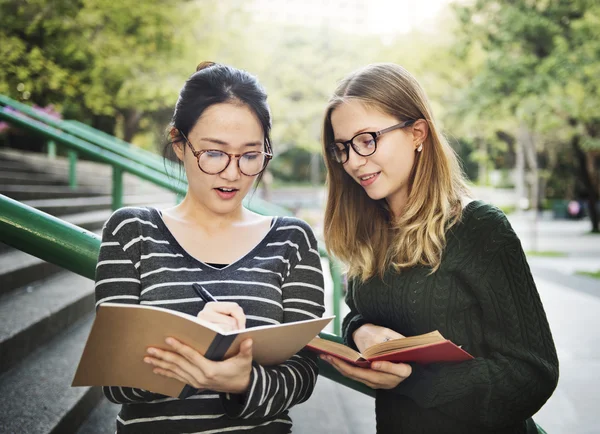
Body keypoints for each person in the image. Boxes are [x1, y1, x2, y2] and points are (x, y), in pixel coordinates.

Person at [319, 63, 559, 434]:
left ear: (417, 133)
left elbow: (532, 373)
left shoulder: (480, 229)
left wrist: (412, 380)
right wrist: (358, 330)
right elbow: (374, 315)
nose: (352, 160)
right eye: (342, 148)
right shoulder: (372, 234)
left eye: (367, 140)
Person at [95, 61, 325, 433]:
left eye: (250, 155)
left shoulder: (292, 240)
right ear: (179, 144)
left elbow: (303, 374)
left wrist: (243, 383)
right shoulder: (131, 232)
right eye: (214, 153)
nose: (233, 174)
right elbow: (115, 380)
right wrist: (194, 343)